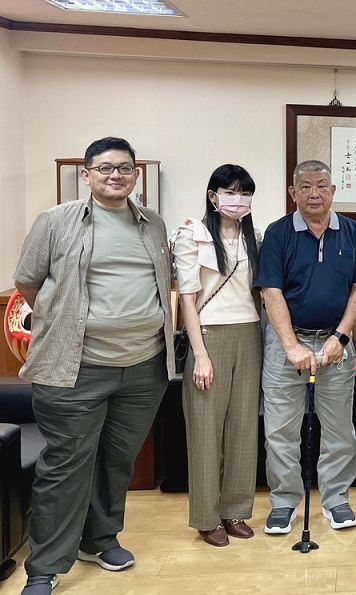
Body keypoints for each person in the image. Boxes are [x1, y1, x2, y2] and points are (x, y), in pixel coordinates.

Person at [13, 137, 173, 595]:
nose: (115, 175)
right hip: (75, 368)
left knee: (116, 461)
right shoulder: (56, 221)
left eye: (124, 168)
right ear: (86, 175)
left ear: (135, 174)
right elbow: (27, 281)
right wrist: (63, 322)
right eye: (105, 168)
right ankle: (45, 566)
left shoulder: (153, 224)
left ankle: (99, 540)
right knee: (66, 465)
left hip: (143, 366)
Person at [255, 160, 356, 534]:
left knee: (339, 429)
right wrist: (291, 345)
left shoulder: (353, 232)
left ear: (333, 191)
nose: (314, 193)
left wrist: (340, 338)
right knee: (280, 429)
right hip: (285, 342)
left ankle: (336, 498)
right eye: (305, 186)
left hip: (336, 342)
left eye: (322, 186)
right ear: (293, 192)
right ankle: (284, 502)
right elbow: (270, 291)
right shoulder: (278, 233)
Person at [172, 164, 263, 547]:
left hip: (250, 334)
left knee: (243, 427)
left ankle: (235, 511)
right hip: (208, 336)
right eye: (230, 192)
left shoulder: (253, 236)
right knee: (206, 429)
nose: (238, 200)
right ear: (213, 196)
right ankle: (207, 518)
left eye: (245, 193)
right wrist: (201, 355)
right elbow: (187, 299)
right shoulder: (192, 234)